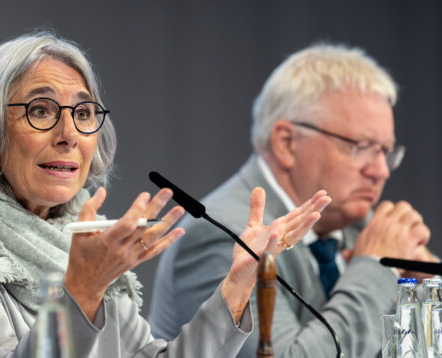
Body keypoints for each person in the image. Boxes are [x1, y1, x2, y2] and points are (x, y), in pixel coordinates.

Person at [0, 32, 330, 358]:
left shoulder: (71, 236)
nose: (69, 134)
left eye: (82, 113)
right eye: (40, 111)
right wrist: (81, 291)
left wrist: (238, 285)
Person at [149, 43, 435, 357]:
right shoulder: (224, 234)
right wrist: (375, 270)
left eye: (386, 151)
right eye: (361, 146)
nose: (380, 171)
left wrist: (431, 289)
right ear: (287, 143)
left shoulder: (360, 228)